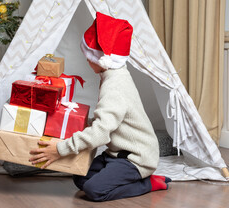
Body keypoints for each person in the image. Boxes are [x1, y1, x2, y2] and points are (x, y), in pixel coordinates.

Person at [29, 12, 171, 201]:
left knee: (94, 190)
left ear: (102, 60)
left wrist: (61, 148)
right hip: (116, 153)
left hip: (135, 157)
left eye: (89, 57)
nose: (87, 61)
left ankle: (148, 182)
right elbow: (104, 121)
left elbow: (101, 133)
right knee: (80, 177)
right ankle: (128, 178)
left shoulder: (115, 86)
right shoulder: (112, 75)